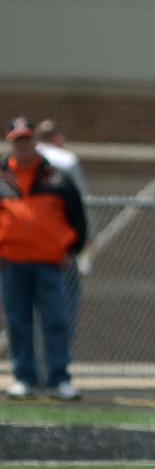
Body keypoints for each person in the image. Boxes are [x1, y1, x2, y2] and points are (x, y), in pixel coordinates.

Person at [0, 116, 87, 400]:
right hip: (12, 262)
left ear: (34, 141)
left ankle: (59, 379)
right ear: (11, 143)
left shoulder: (55, 176)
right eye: (17, 141)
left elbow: (78, 217)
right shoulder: (2, 176)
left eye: (27, 139)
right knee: (18, 321)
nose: (23, 145)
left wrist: (70, 251)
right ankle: (24, 378)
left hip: (49, 263)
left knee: (55, 320)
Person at [35, 119, 90, 342]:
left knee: (28, 310)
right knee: (64, 305)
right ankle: (57, 363)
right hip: (60, 249)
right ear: (57, 137)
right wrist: (87, 240)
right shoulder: (66, 160)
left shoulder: (20, 161)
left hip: (24, 248)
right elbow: (81, 203)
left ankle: (33, 366)